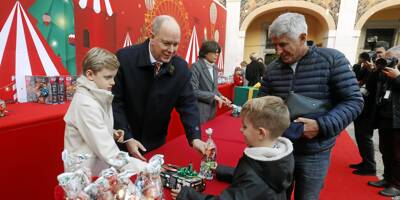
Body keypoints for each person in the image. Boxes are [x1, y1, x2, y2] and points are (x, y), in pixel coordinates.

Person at [257, 12, 363, 200]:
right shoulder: (272, 68)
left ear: (302, 38)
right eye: (274, 45)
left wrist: (321, 126)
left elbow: (354, 101)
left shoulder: (332, 60)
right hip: (280, 149)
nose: (278, 51)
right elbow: (262, 103)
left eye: (283, 44)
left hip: (315, 152)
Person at [112, 15, 206, 161]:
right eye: (166, 43)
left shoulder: (181, 68)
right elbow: (115, 102)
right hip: (122, 143)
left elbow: (188, 104)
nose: (171, 50)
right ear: (151, 36)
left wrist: (195, 138)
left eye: (176, 44)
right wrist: (127, 138)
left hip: (155, 143)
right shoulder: (124, 58)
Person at [171, 96, 294, 200]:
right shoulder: (280, 159)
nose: (241, 130)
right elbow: (255, 173)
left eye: (245, 127)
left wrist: (187, 195)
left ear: (261, 133)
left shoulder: (253, 182)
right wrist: (220, 170)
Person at [63, 47, 147, 176]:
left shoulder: (96, 96)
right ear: (90, 75)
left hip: (94, 169)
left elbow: (92, 130)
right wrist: (144, 168)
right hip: (84, 175)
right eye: (108, 77)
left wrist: (111, 132)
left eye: (113, 77)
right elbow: (108, 151)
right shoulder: (86, 104)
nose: (113, 82)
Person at [366, 45, 400, 197]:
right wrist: (376, 70)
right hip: (385, 117)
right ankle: (387, 178)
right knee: (385, 151)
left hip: (398, 120)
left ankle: (397, 185)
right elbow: (372, 87)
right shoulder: (386, 71)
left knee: (398, 154)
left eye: (390, 58)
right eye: (386, 58)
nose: (387, 61)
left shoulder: (397, 73)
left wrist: (398, 77)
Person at [190, 40, 231, 124]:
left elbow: (214, 89)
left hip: (212, 109)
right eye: (214, 52)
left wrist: (221, 97)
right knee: (201, 135)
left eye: (218, 52)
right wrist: (214, 96)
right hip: (200, 109)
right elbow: (193, 91)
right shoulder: (196, 66)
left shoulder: (215, 67)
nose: (217, 55)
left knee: (210, 133)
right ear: (205, 53)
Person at [350, 52, 377, 176]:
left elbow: (372, 85)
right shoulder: (361, 67)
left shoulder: (379, 71)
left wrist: (373, 70)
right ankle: (365, 162)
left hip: (370, 110)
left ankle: (370, 166)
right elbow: (357, 78)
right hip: (361, 108)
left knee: (365, 138)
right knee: (360, 137)